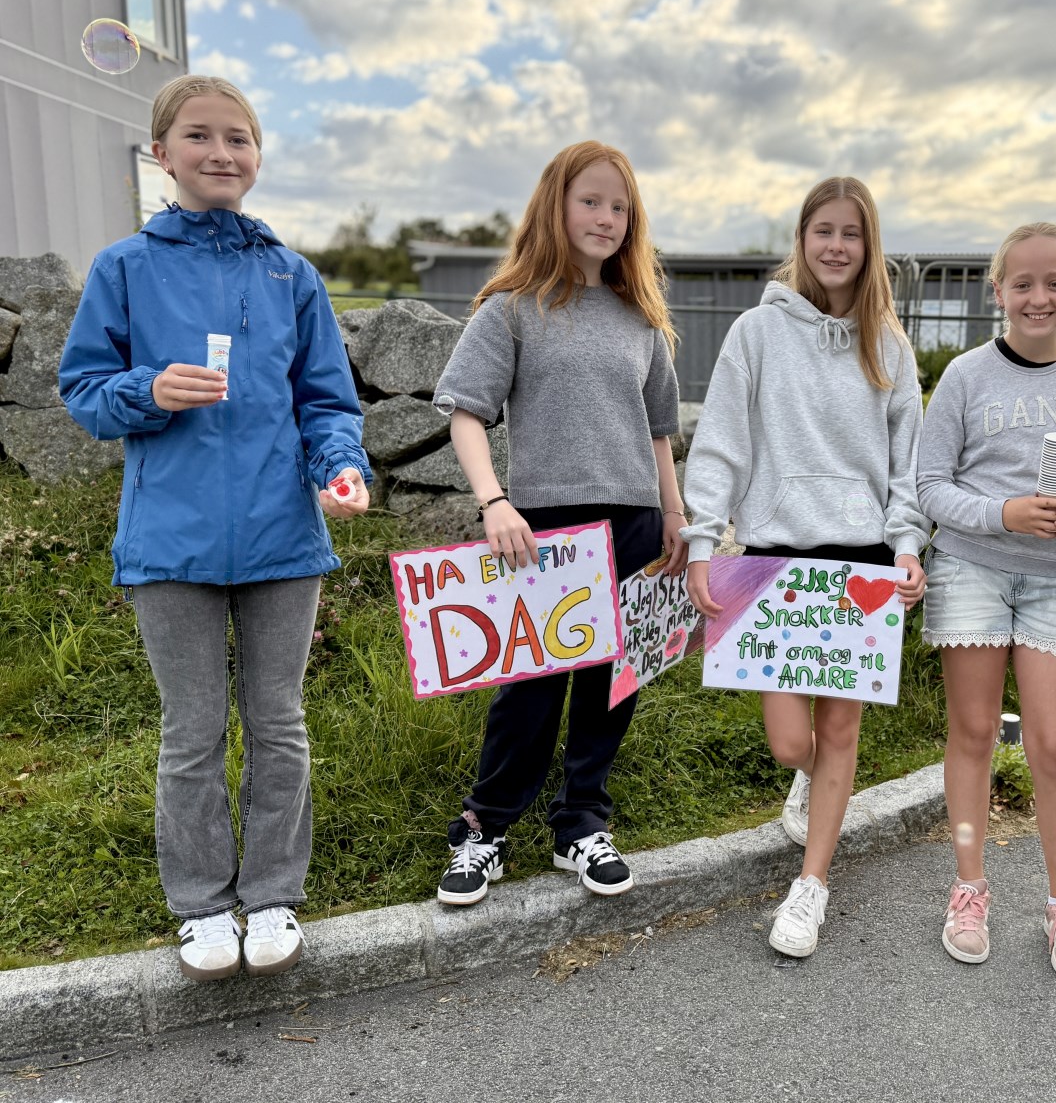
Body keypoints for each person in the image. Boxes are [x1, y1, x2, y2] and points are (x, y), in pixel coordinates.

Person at [58, 75, 372, 982]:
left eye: (239, 137)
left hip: (284, 541)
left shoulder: (291, 275)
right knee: (191, 731)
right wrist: (147, 390)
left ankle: (271, 894)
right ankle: (200, 903)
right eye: (199, 135)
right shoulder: (124, 269)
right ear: (161, 153)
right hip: (170, 545)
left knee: (279, 723)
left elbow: (326, 402)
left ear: (259, 157)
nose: (222, 152)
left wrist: (339, 466)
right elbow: (84, 392)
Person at [430, 141, 684, 905]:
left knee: (613, 683)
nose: (606, 217)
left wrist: (675, 515)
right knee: (530, 689)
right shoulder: (512, 309)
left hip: (635, 520)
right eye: (590, 201)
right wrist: (494, 501)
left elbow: (659, 432)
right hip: (542, 527)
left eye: (620, 206)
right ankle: (484, 826)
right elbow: (466, 413)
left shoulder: (642, 321)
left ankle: (581, 822)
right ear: (555, 205)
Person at [682, 177, 929, 958]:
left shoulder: (890, 346)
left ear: (869, 245)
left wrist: (907, 547)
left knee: (841, 728)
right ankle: (813, 778)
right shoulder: (756, 332)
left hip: (861, 561)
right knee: (793, 740)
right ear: (802, 237)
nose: (836, 245)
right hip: (773, 557)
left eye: (851, 233)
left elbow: (908, 468)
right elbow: (721, 442)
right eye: (823, 230)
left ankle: (812, 883)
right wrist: (702, 541)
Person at [915, 223, 1056, 977]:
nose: (1038, 296)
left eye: (1054, 282)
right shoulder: (965, 376)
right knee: (971, 733)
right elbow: (931, 486)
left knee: (1053, 744)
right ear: (997, 291)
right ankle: (969, 888)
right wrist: (1005, 513)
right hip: (972, 569)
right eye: (1022, 283)